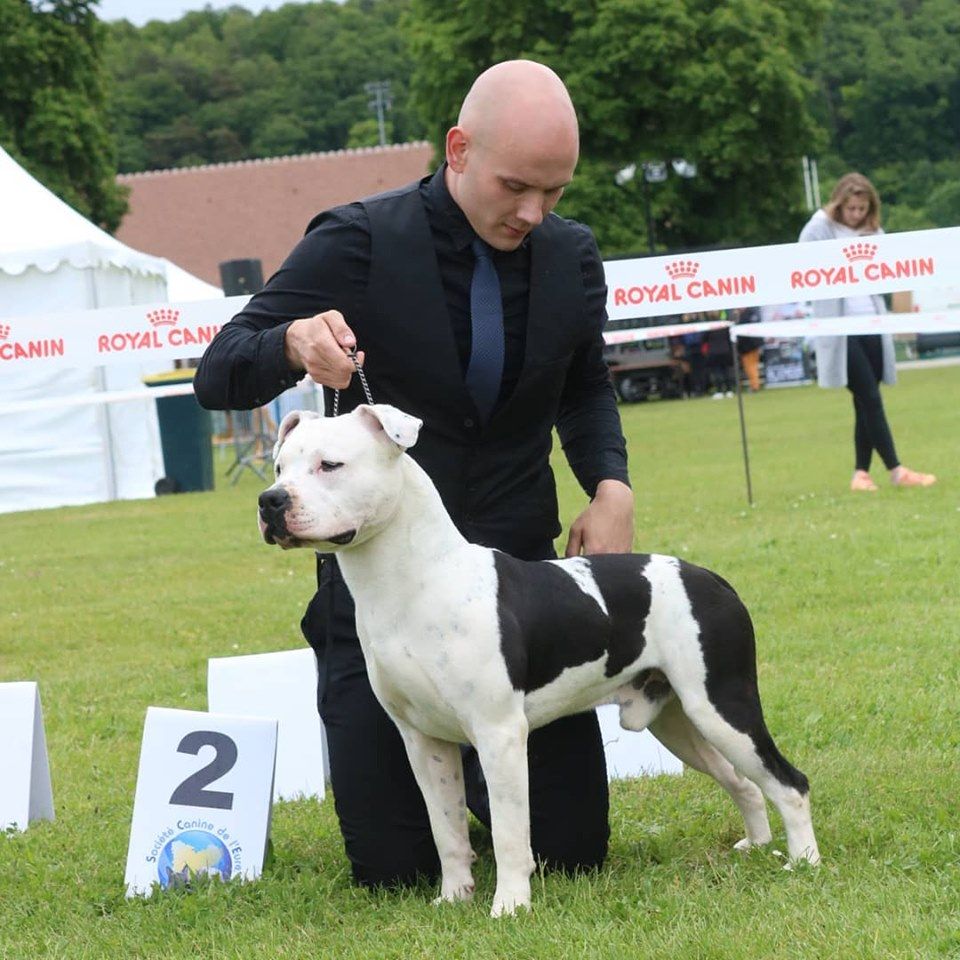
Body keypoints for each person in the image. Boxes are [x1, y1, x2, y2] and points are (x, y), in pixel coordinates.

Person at [194, 60, 634, 889]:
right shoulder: (356, 240)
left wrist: (610, 485)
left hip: (517, 609)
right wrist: (289, 343)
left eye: (555, 192)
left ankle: (488, 779)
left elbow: (585, 389)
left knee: (571, 857)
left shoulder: (571, 256)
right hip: (380, 615)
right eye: (516, 187)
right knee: (393, 871)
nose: (534, 213)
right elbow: (217, 371)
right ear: (458, 149)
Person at [798, 172, 936, 491]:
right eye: (852, 209)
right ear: (839, 204)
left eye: (862, 209)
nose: (857, 215)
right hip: (839, 327)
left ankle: (861, 473)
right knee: (870, 397)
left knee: (865, 401)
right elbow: (800, 265)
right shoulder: (819, 228)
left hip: (871, 321)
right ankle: (896, 469)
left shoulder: (874, 232)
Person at [734, 306, 763, 392]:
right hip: (754, 345)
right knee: (753, 366)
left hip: (747, 347)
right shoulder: (752, 314)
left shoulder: (744, 316)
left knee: (750, 367)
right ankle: (755, 384)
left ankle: (754, 386)